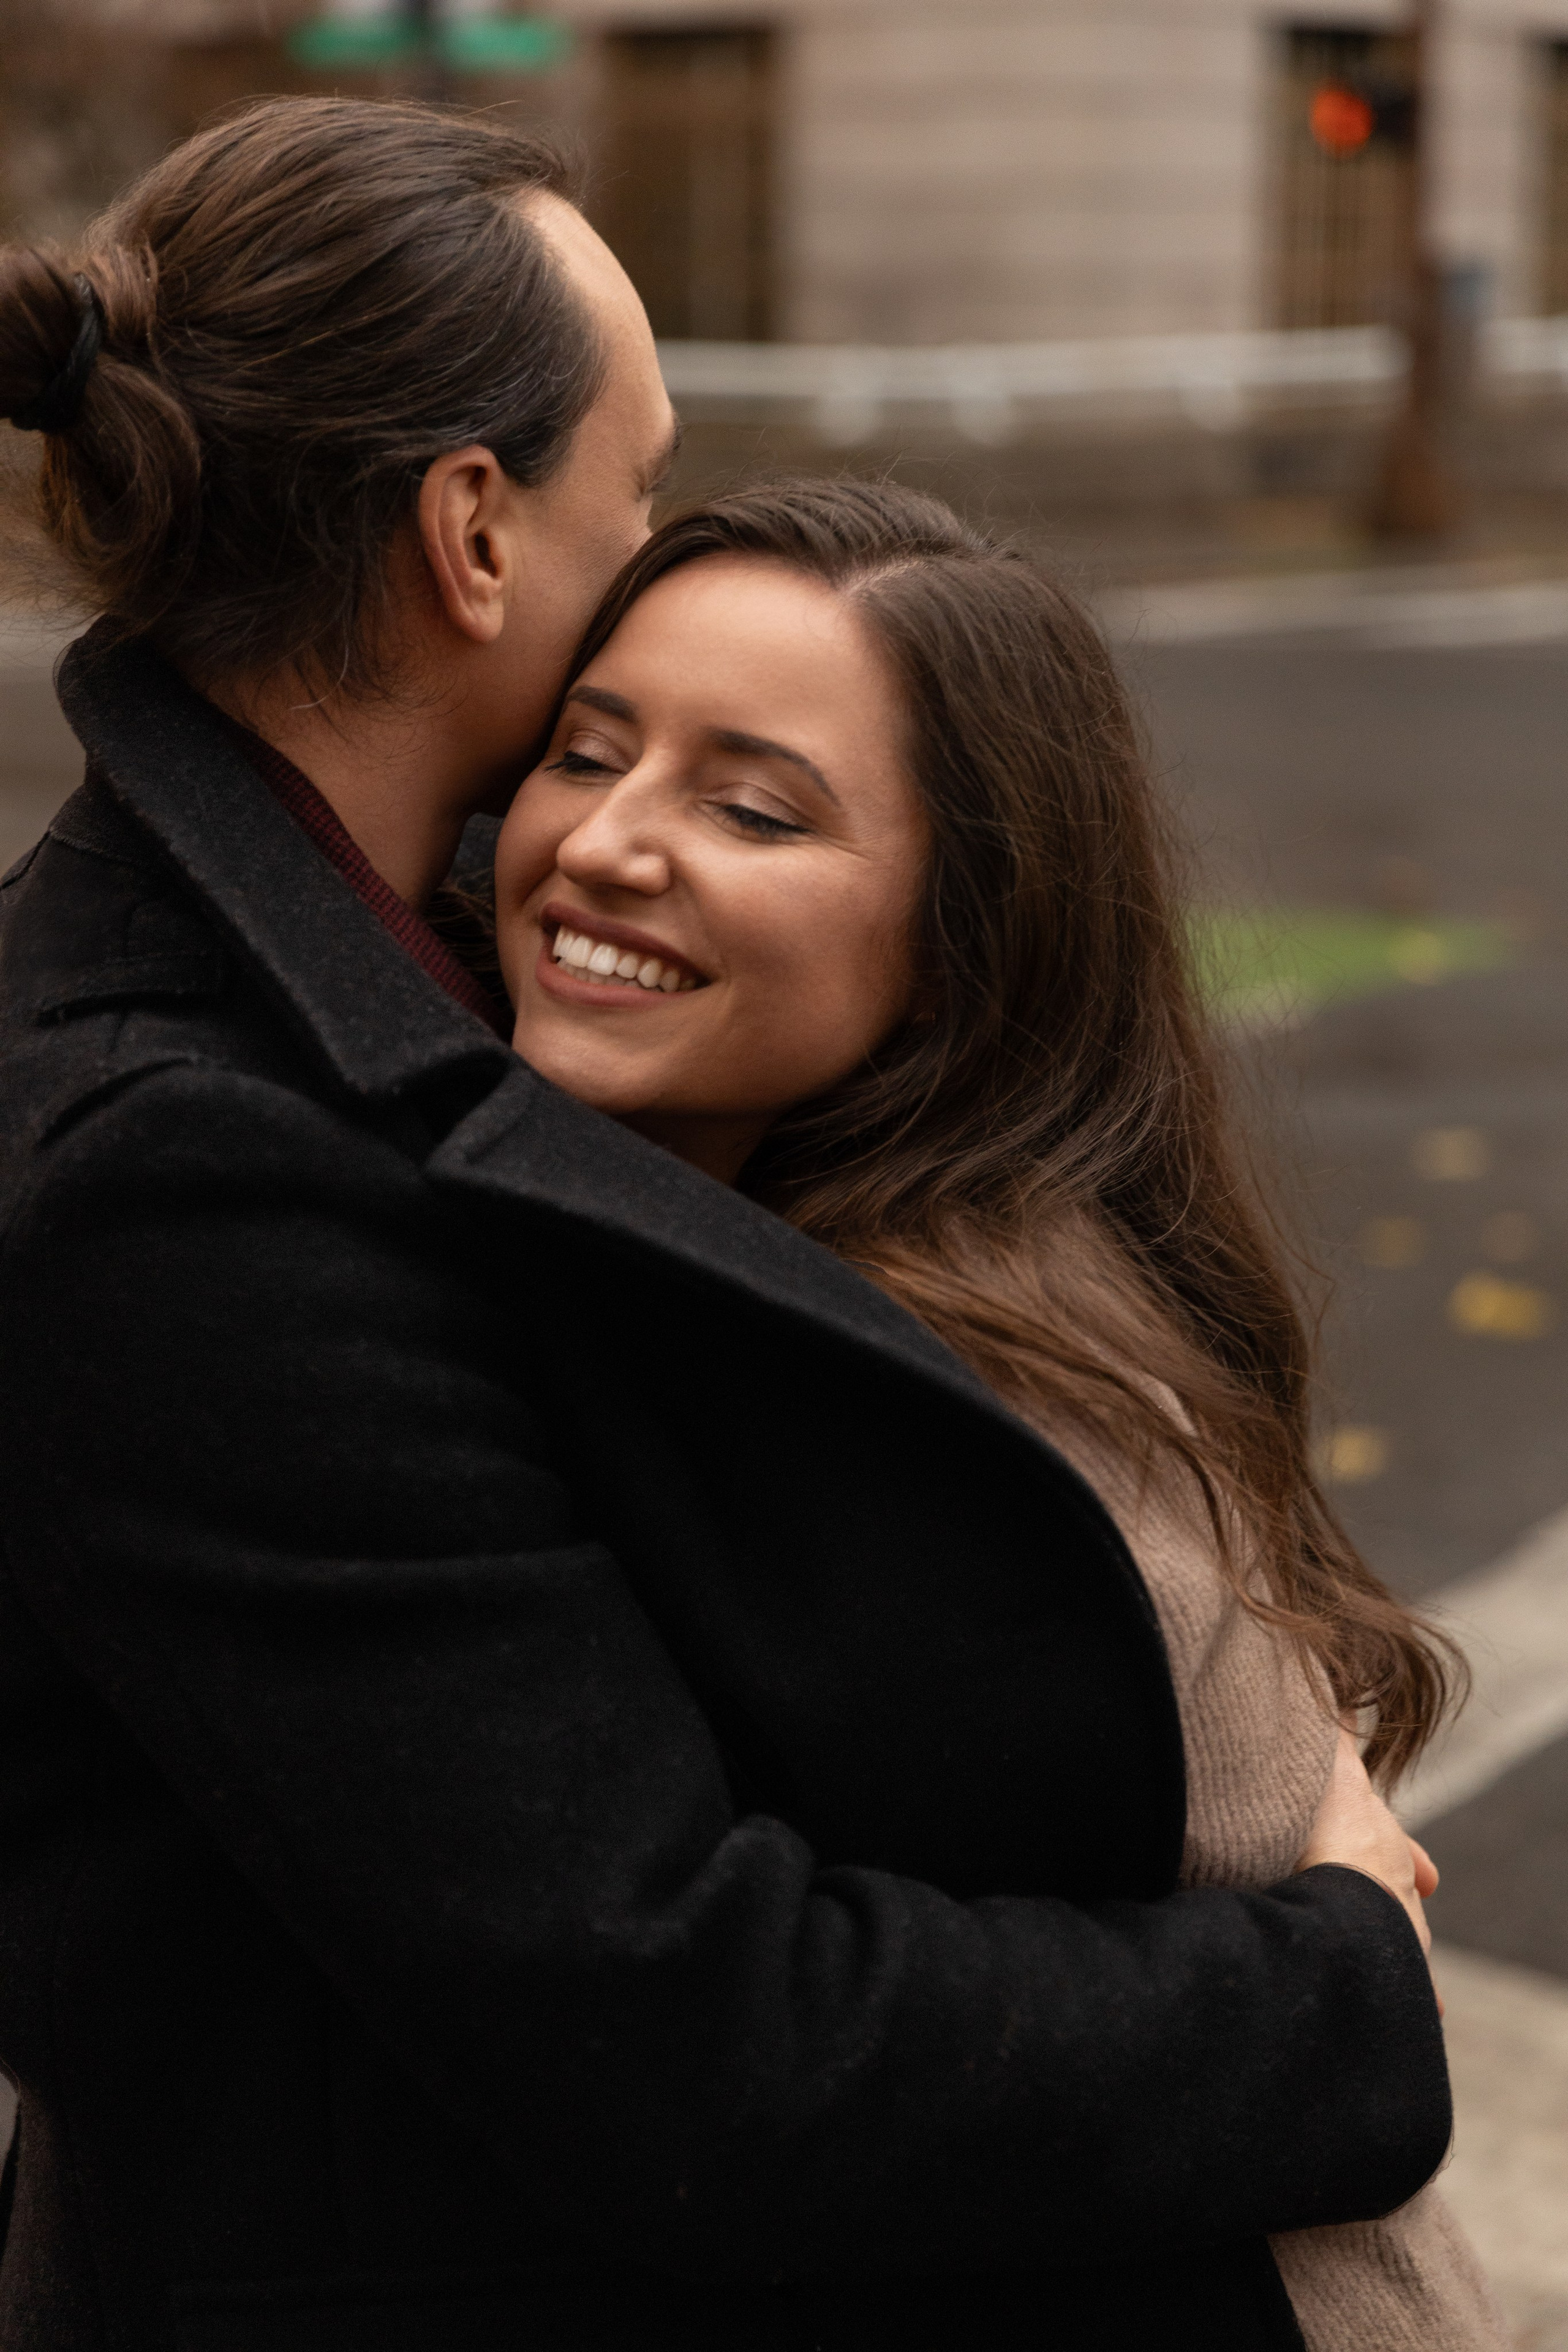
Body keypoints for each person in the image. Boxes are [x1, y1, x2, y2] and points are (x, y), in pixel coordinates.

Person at [0, 96, 1452, 2352]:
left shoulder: (352, 989)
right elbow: (687, 2029)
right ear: (474, 532)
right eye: (640, 481)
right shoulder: (190, 1164)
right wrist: (1333, 1981)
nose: (655, 540)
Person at [478, 476, 1505, 2351]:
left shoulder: (933, 1387)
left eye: (752, 806)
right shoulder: (735, 1231)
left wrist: (1342, 1966)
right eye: (585, 750)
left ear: (965, 936)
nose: (605, 844)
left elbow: (761, 2053)